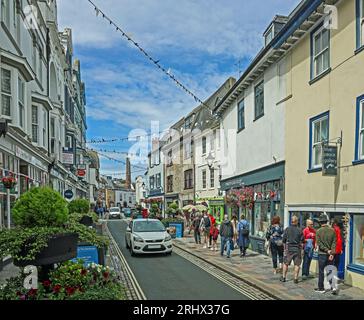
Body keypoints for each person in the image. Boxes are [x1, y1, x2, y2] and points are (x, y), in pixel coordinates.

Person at [315, 215, 337, 294]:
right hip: (330, 254)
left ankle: (321, 288)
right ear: (327, 221)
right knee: (330, 270)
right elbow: (334, 242)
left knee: (321, 271)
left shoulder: (318, 231)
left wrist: (327, 250)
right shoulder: (332, 230)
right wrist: (332, 253)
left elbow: (319, 244)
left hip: (322, 254)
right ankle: (333, 287)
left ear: (320, 222)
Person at [280, 216, 304, 284]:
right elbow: (302, 241)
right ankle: (295, 278)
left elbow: (283, 240)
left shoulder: (287, 229)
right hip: (297, 249)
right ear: (296, 222)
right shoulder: (300, 230)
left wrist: (284, 248)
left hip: (289, 248)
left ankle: (284, 277)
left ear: (291, 221)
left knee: (286, 263)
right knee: (297, 264)